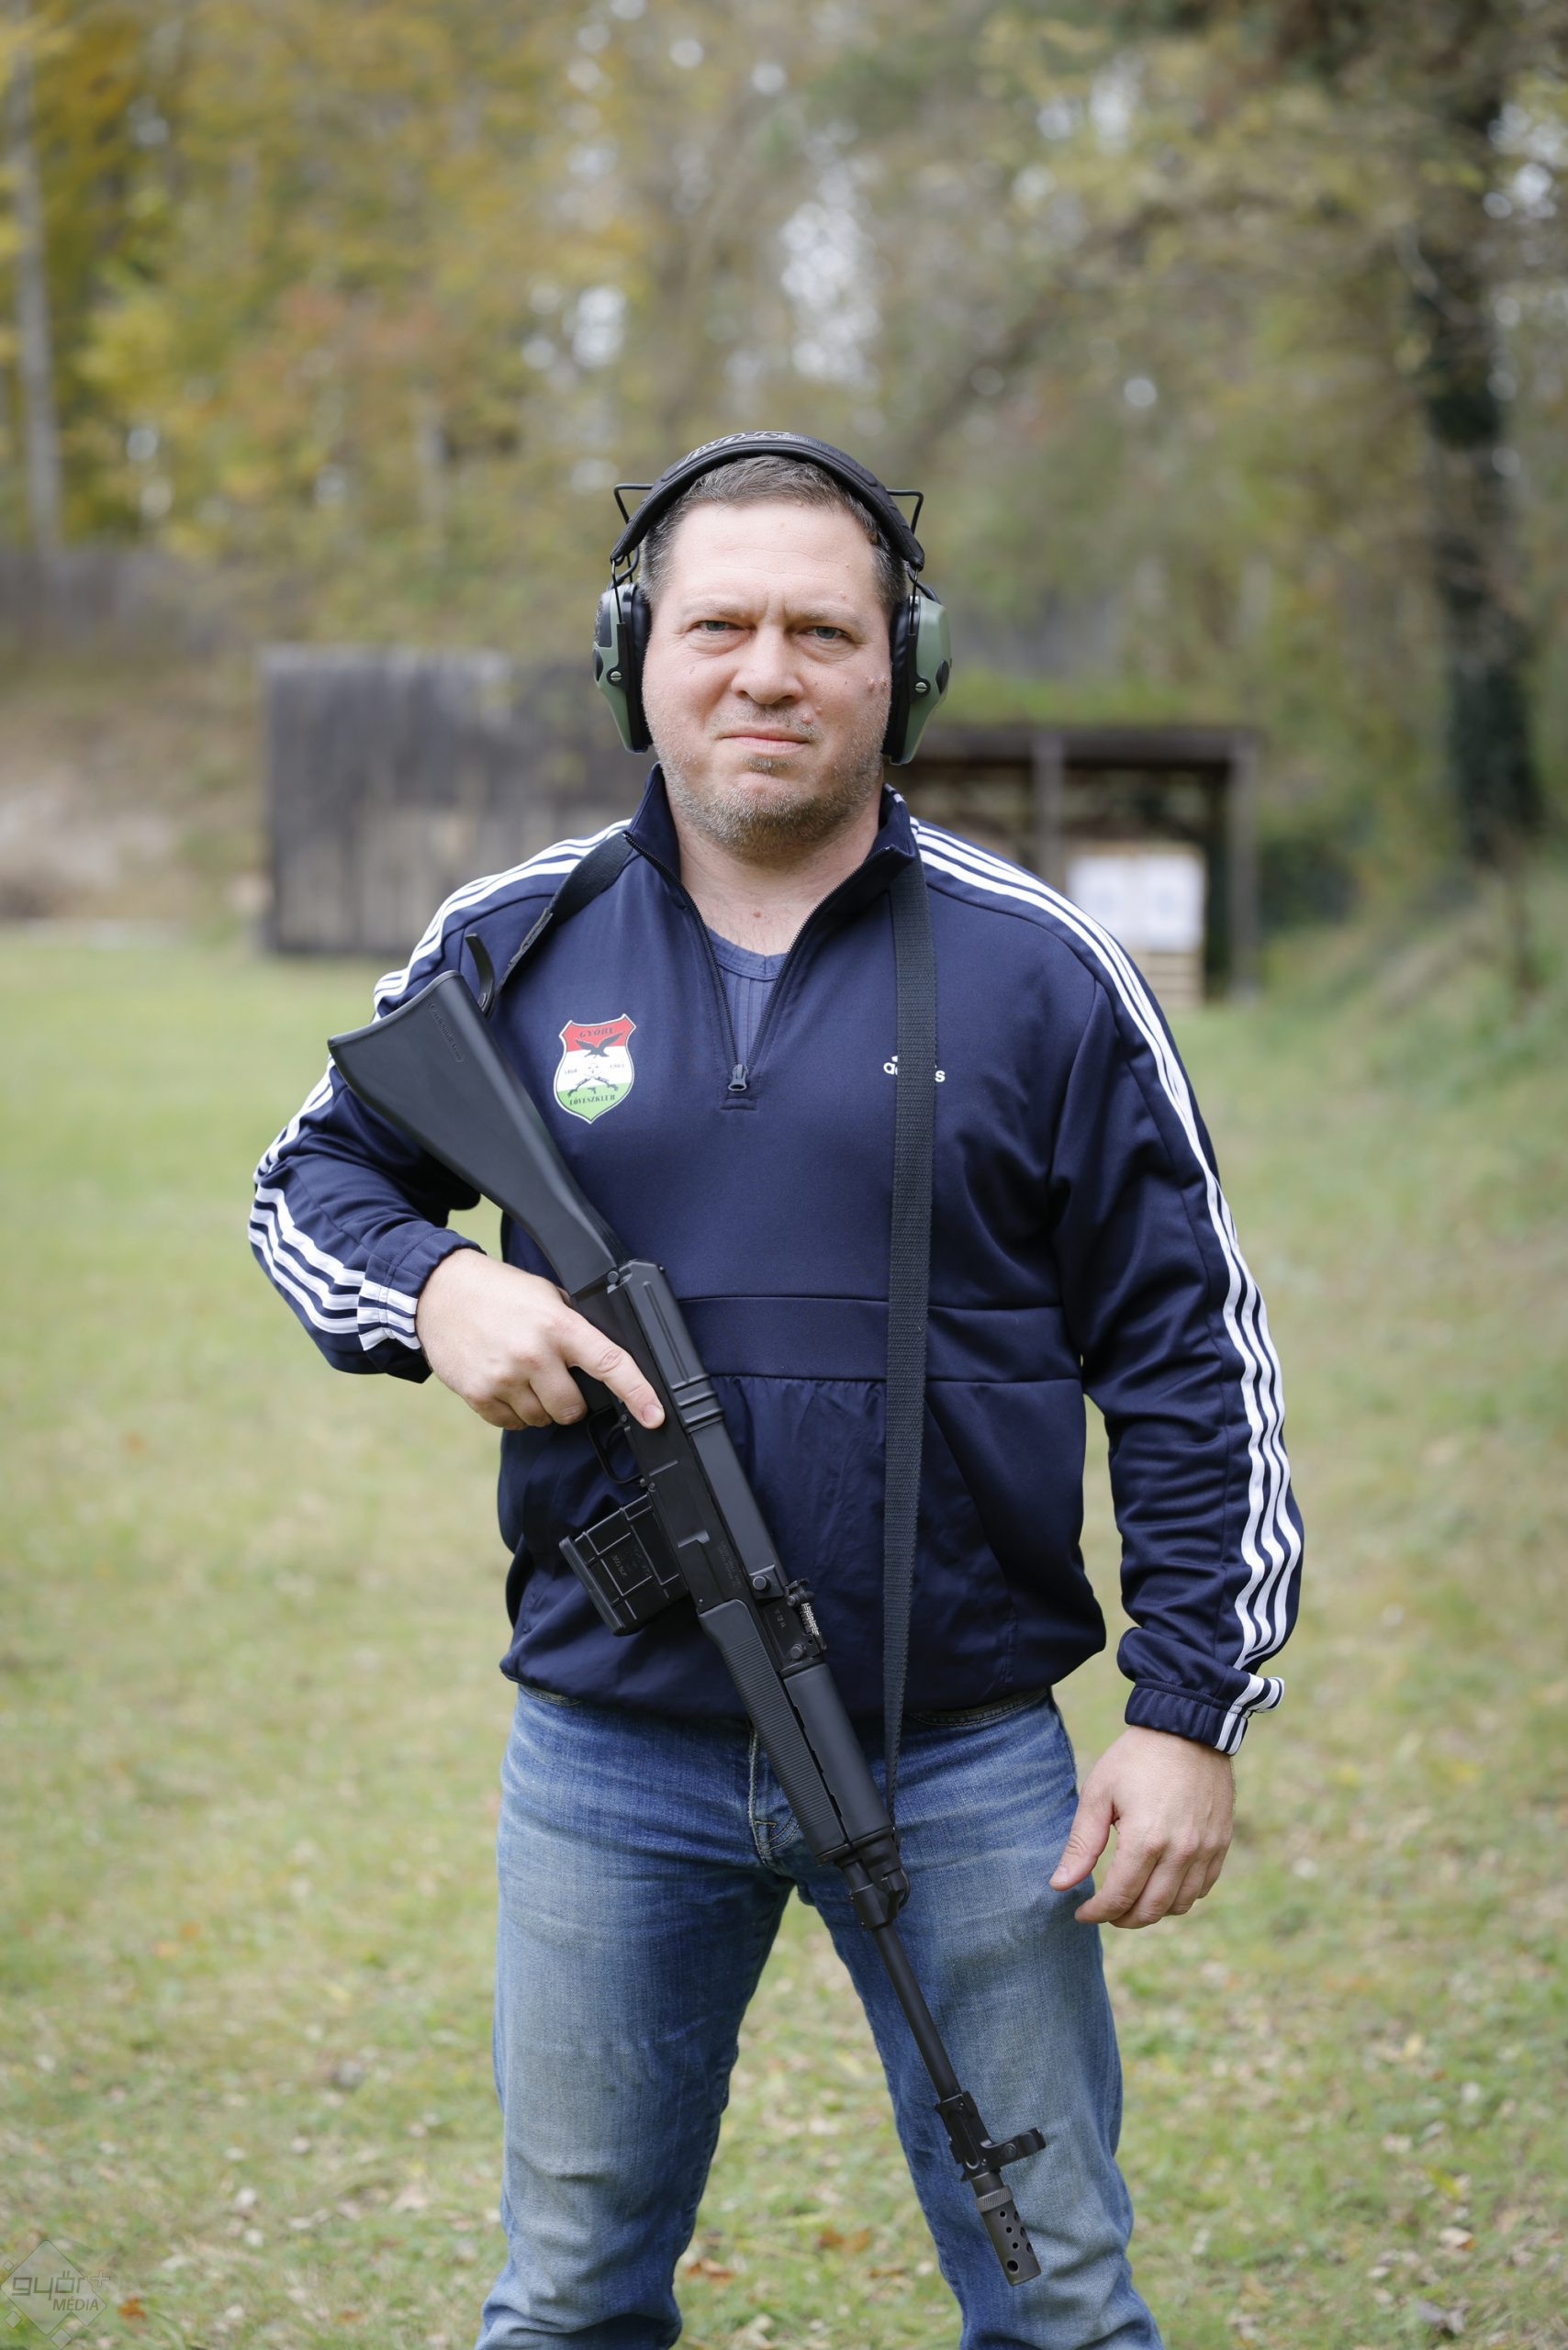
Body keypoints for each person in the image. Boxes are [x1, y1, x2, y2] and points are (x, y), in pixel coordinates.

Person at [250, 432, 1303, 2350]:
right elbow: (303, 1186)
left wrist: (1187, 1710)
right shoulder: (512, 935)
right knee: (567, 2294)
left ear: (904, 667)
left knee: (1061, 2294)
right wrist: (439, 1285)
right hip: (609, 1750)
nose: (766, 672)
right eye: (716, 626)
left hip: (964, 1752)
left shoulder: (1045, 971)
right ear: (631, 655)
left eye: (822, 631)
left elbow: (1187, 1351)